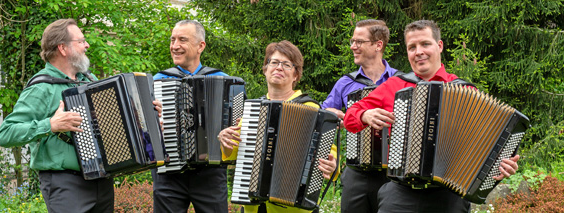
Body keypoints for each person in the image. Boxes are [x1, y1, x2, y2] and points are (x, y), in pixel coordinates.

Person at [343, 19, 520, 212]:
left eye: (425, 44)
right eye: (412, 47)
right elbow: (349, 117)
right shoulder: (394, 85)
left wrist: (500, 167)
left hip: (449, 195)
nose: (419, 51)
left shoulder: (465, 90)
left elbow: (488, 145)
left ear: (439, 46)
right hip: (400, 193)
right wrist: (365, 115)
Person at [0, 19, 162, 212]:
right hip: (65, 184)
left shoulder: (90, 82)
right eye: (81, 41)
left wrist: (146, 116)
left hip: (101, 180)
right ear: (63, 48)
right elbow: (5, 134)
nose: (87, 45)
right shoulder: (41, 88)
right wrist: (50, 124)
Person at [218, 40, 339, 213]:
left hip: (293, 209)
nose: (279, 68)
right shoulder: (253, 110)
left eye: (287, 65)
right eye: (274, 62)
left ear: (296, 75)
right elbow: (233, 153)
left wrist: (332, 164)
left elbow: (329, 152)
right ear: (265, 69)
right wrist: (224, 140)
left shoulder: (310, 108)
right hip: (254, 207)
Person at [320, 19, 400, 213]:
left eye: (359, 42)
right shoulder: (345, 83)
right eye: (352, 41)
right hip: (356, 173)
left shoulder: (400, 81)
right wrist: (328, 114)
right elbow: (322, 117)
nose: (353, 47)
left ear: (378, 45)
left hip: (393, 174)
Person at [151, 19, 229, 213]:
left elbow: (237, 127)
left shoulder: (223, 81)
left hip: (209, 173)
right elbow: (144, 133)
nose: (175, 46)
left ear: (200, 46)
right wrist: (153, 127)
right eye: (172, 40)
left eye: (182, 40)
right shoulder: (159, 81)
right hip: (169, 174)